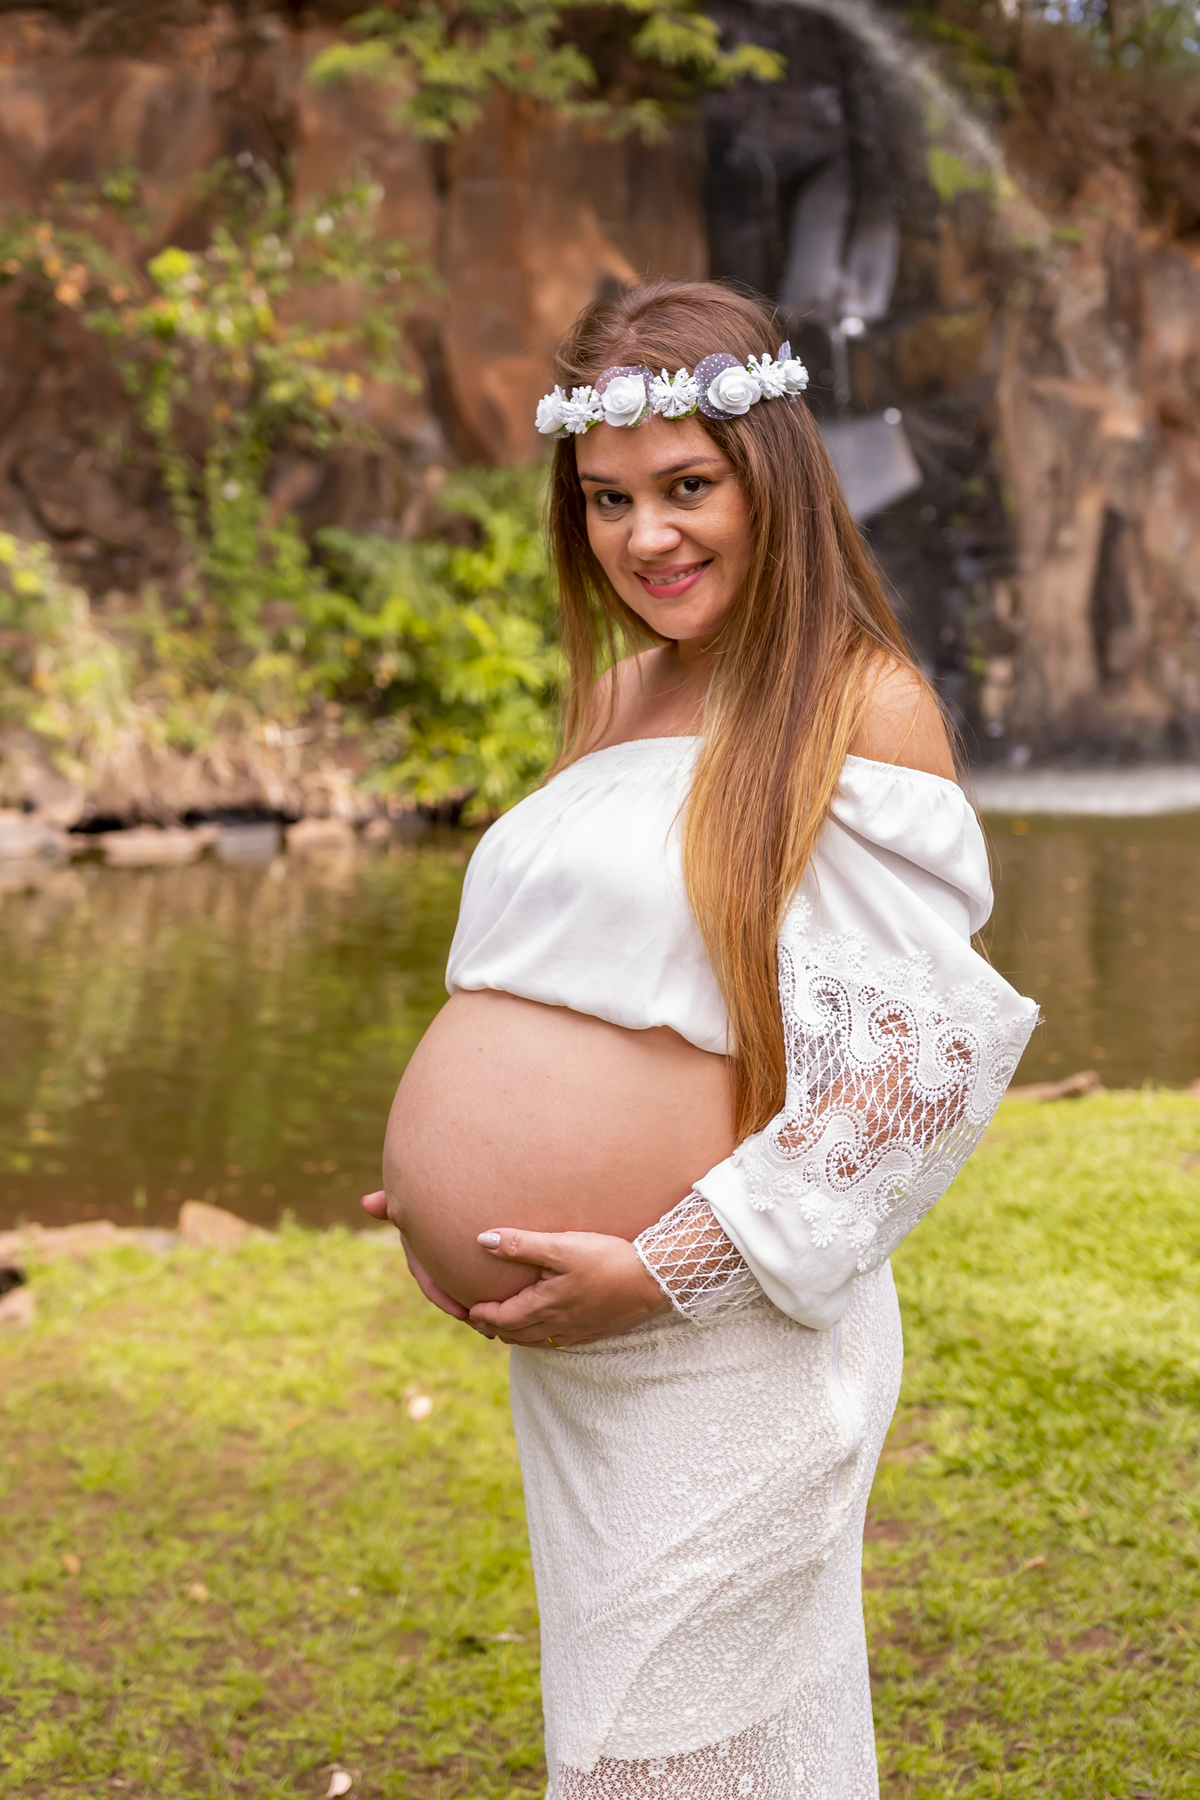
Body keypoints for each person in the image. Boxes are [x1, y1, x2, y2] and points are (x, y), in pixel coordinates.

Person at [363, 279, 1037, 1800]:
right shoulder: (617, 697)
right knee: (625, 1743)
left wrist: (663, 1266)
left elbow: (912, 1076)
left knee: (667, 1756)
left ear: (772, 481)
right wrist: (442, 1188)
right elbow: (568, 978)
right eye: (608, 500)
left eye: (686, 487)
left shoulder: (861, 703)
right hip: (586, 1363)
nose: (645, 536)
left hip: (727, 1339)